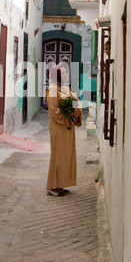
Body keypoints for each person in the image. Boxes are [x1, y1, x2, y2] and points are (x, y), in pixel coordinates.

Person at [45, 64, 82, 196]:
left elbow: (75, 100)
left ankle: (60, 184)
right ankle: (52, 185)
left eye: (66, 72)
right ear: (58, 75)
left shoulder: (65, 89)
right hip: (59, 126)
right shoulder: (52, 91)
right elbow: (54, 112)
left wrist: (77, 108)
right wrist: (71, 113)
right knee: (58, 155)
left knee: (66, 155)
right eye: (64, 73)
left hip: (67, 126)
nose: (67, 75)